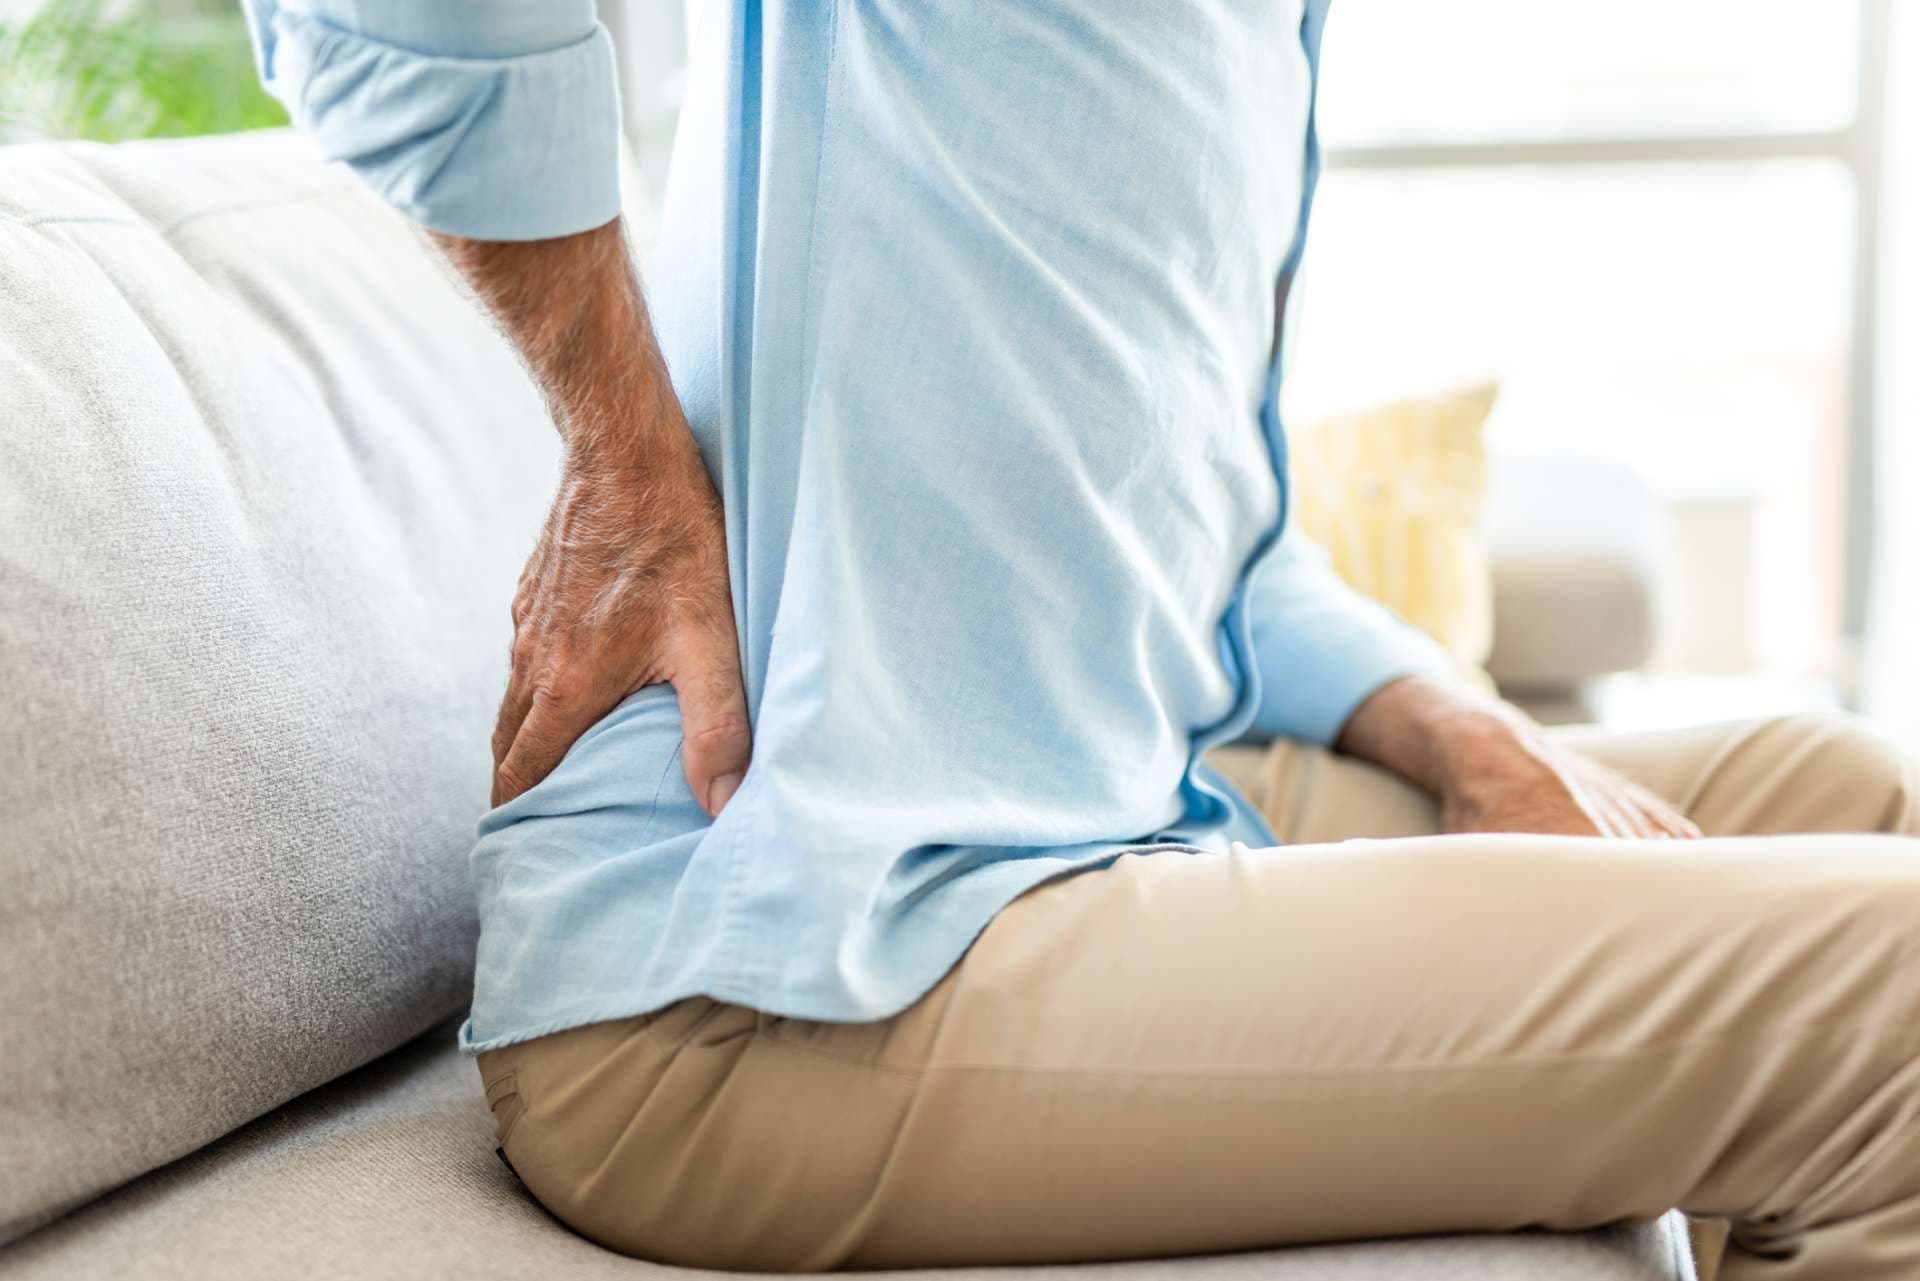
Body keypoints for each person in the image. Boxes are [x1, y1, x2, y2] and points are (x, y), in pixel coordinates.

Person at [245, 3, 1920, 1276]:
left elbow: (1206, 539)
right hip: (766, 965)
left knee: (1831, 784)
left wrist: (1468, 732)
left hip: (1092, 805)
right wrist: (620, 453)